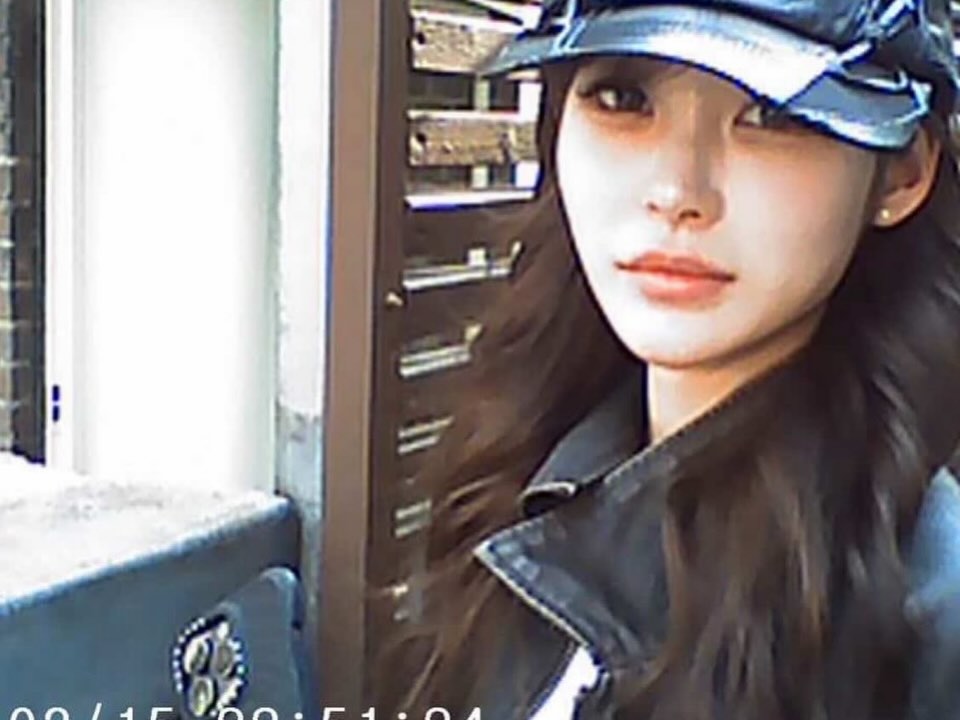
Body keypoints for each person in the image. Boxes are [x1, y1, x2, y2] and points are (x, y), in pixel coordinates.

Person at [378, 1, 960, 718]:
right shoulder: (515, 466)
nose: (677, 193)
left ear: (901, 173)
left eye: (772, 114)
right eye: (624, 99)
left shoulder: (933, 619)